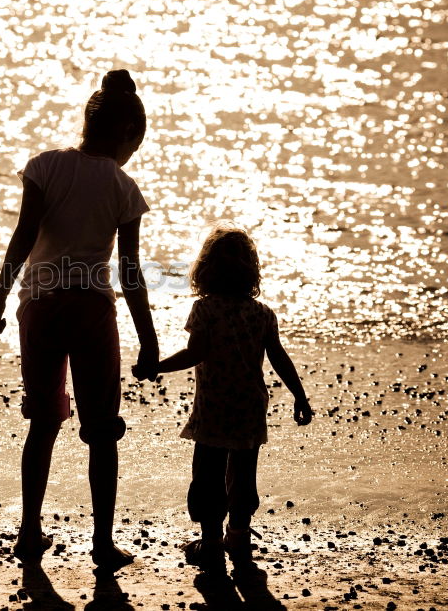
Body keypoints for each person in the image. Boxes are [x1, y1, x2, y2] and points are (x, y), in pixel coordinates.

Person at [0, 69, 159, 572]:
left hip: (38, 306)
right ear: (128, 133)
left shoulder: (44, 166)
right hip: (90, 308)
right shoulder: (123, 188)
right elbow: (130, 273)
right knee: (101, 429)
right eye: (136, 144)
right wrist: (148, 341)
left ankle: (29, 532)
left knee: (43, 422)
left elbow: (22, 238)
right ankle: (102, 544)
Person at [133, 225, 313, 573]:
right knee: (243, 475)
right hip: (249, 407)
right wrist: (300, 396)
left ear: (205, 270)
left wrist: (156, 367)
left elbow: (194, 353)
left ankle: (212, 541)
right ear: (252, 271)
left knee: (207, 475)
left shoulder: (205, 309)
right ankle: (239, 535)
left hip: (214, 407)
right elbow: (279, 358)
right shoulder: (262, 314)